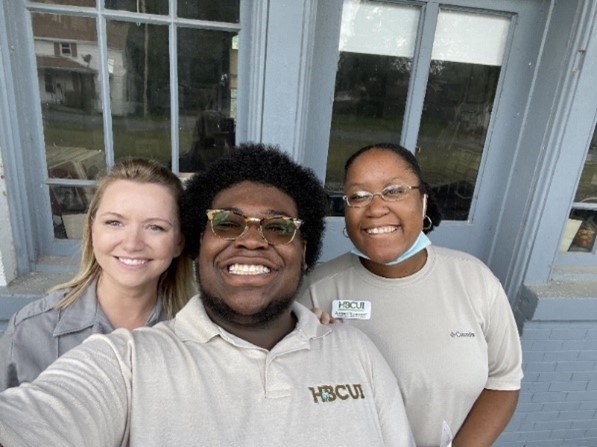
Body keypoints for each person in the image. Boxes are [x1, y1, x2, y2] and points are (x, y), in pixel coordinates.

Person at [0, 143, 415, 447]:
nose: (252, 240)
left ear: (304, 251)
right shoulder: (123, 361)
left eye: (278, 227)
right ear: (198, 245)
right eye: (228, 223)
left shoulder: (355, 350)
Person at [299, 142, 523, 447]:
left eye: (394, 191)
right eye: (359, 196)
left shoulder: (475, 280)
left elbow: (503, 381)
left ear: (424, 201)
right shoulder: (316, 292)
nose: (376, 208)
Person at [0, 158, 195, 391]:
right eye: (114, 222)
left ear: (178, 243)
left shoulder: (196, 335)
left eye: (155, 227)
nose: (132, 244)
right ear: (92, 230)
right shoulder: (30, 332)